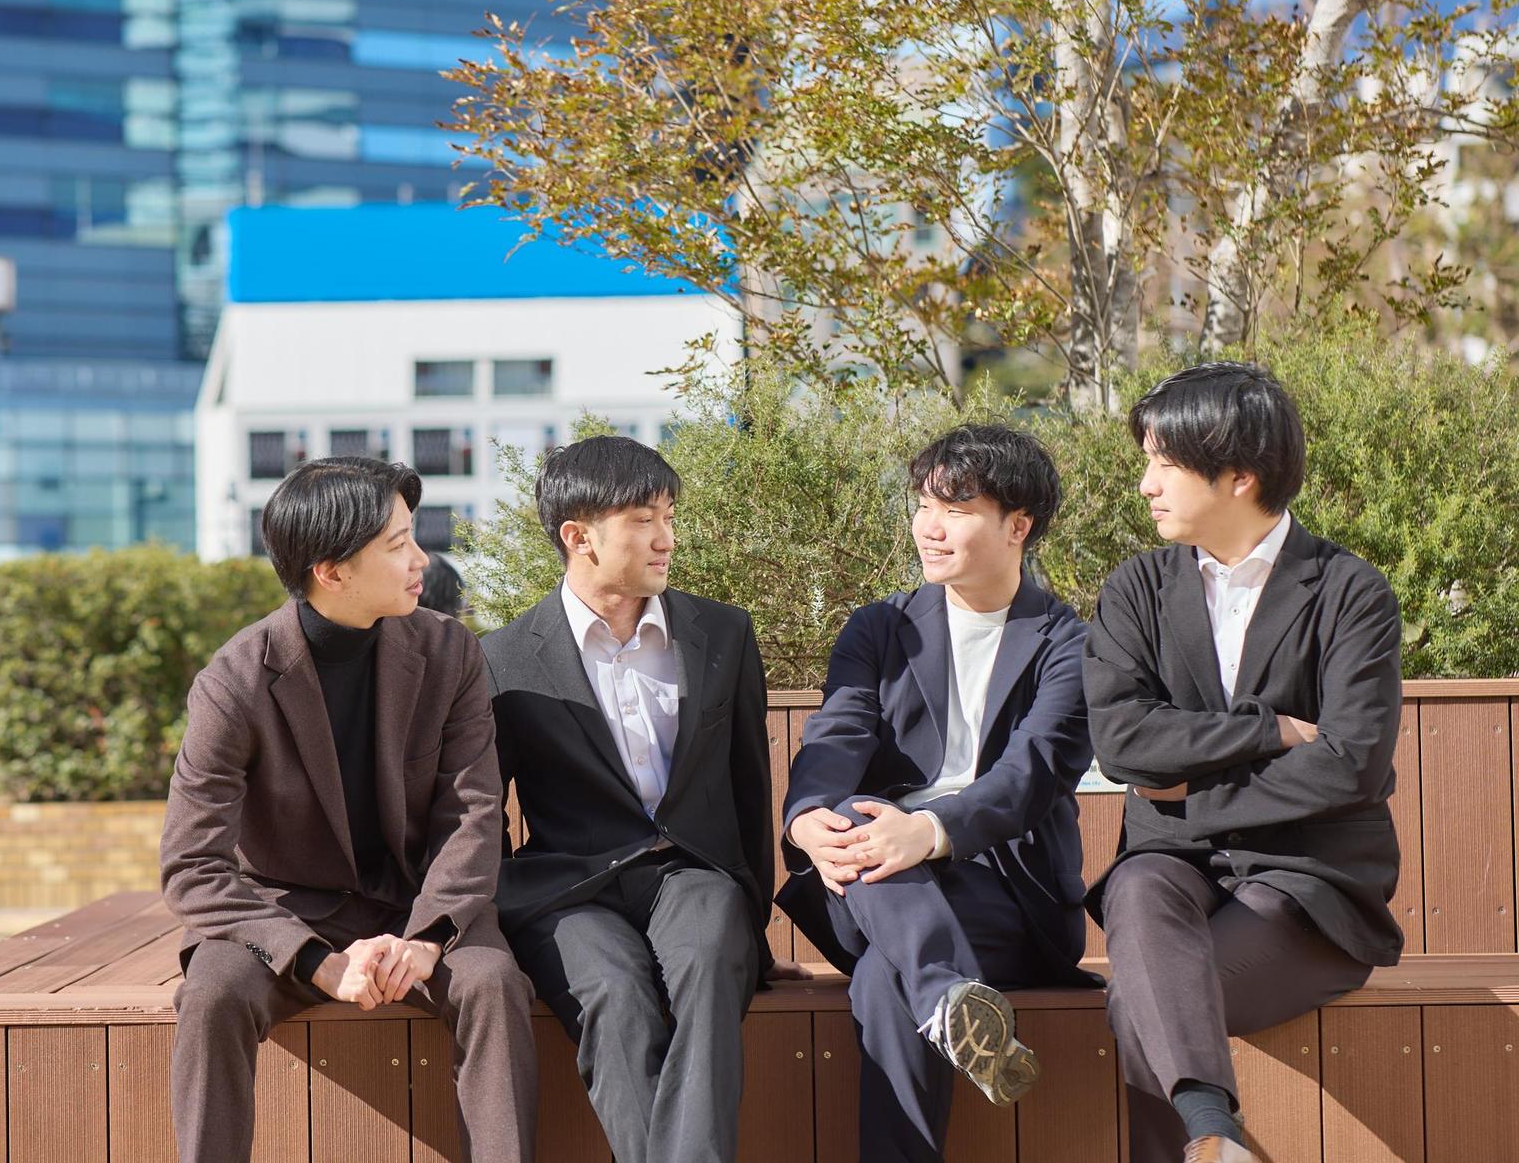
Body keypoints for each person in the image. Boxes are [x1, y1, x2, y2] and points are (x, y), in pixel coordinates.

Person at [161, 456, 537, 1162]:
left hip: (419, 903)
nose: (421, 559)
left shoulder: (448, 650)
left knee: (492, 984)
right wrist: (315, 961)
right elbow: (191, 865)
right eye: (397, 544)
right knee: (212, 993)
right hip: (285, 910)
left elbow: (473, 814)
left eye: (413, 536)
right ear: (331, 571)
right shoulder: (235, 682)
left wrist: (426, 937)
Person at [1085, 362, 1402, 1163]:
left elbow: (1352, 766)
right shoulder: (1137, 590)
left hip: (1309, 888)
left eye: (1165, 463)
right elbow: (1123, 742)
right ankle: (1214, 1141)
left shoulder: (1349, 592)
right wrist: (1271, 730)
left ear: (1238, 476)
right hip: (1170, 873)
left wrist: (1182, 794)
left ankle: (1207, 1138)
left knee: (1142, 1000)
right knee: (1137, 886)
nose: (1147, 484)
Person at [776, 424, 1095, 1162]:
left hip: (1002, 889)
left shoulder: (1068, 643)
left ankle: (938, 991)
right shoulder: (880, 628)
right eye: (923, 504)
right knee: (848, 811)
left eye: (956, 509)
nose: (929, 526)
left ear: (1018, 526)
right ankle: (949, 996)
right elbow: (837, 734)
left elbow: (1032, 774)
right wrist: (807, 820)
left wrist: (928, 830)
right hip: (871, 879)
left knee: (883, 980)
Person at [482, 435, 777, 1163]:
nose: (666, 538)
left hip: (693, 872)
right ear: (578, 536)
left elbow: (749, 783)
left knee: (709, 955)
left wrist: (754, 918)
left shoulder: (722, 633)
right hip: (567, 890)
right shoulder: (502, 657)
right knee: (613, 994)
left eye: (669, 516)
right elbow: (481, 810)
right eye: (644, 520)